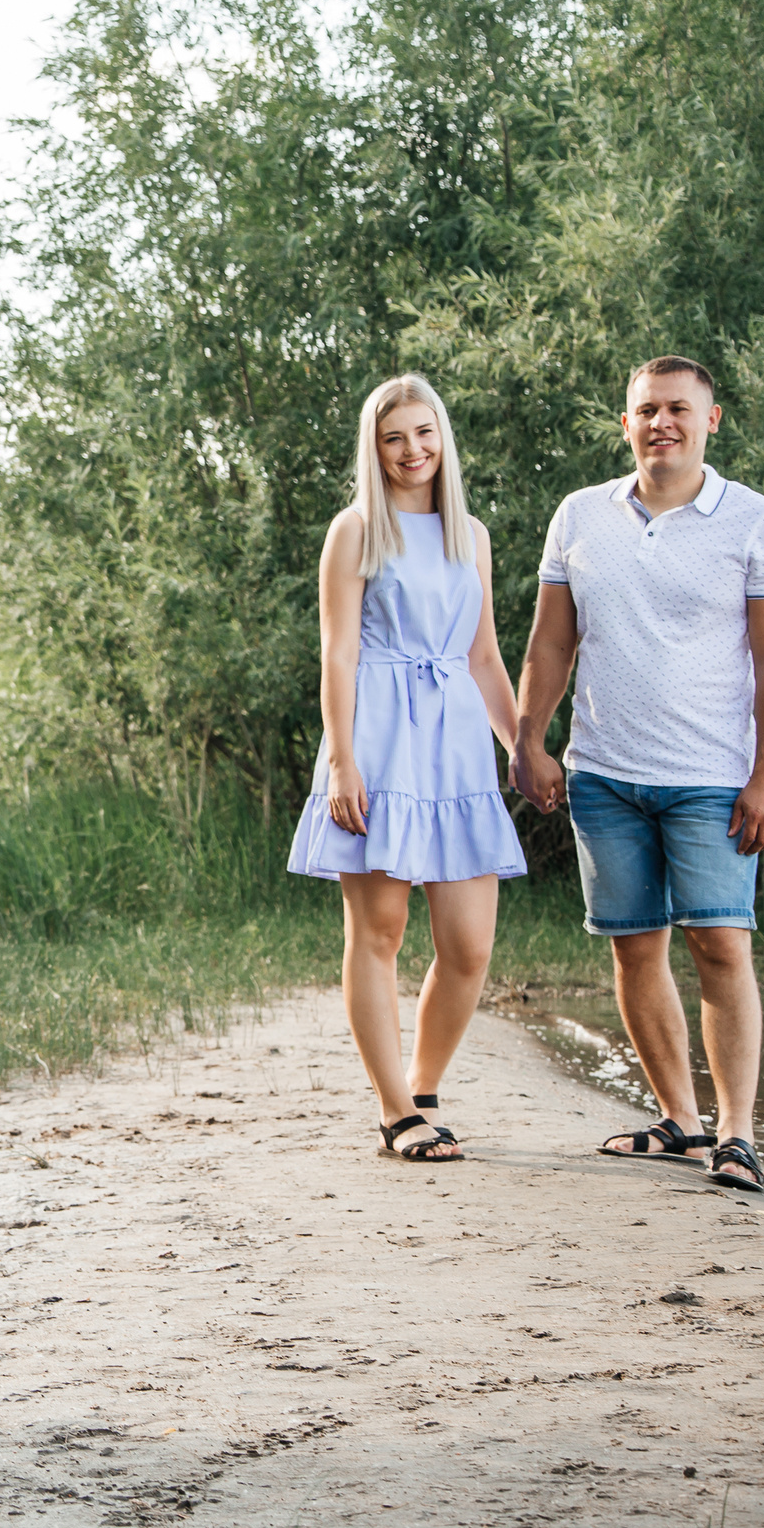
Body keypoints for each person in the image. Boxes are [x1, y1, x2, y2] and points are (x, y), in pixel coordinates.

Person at [511, 356, 764, 1194]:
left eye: (679, 408)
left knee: (720, 945)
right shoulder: (580, 514)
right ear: (626, 422)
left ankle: (738, 1135)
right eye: (646, 410)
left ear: (712, 420)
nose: (661, 423)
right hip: (603, 773)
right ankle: (680, 1119)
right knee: (634, 948)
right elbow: (551, 642)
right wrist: (529, 740)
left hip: (712, 778)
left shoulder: (758, 521)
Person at [289, 373, 528, 1162]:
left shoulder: (472, 536)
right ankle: (396, 1113)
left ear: (442, 439)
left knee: (468, 946)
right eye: (393, 437)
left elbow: (484, 656)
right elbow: (338, 652)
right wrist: (342, 761)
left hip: (455, 745)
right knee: (379, 932)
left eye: (424, 433)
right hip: (380, 737)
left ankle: (423, 1089)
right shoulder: (356, 529)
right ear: (375, 447)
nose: (411, 450)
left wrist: (521, 746)